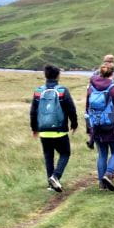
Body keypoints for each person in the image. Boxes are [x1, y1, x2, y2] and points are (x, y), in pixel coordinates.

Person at [30, 64, 78, 193]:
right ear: (58, 76)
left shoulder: (38, 91)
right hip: (59, 130)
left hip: (43, 131)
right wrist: (74, 124)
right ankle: (55, 176)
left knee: (48, 156)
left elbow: (33, 111)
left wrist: (34, 128)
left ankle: (51, 185)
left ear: (45, 75)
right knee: (65, 153)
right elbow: (71, 109)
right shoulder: (62, 90)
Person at [85, 61, 114, 191]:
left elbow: (87, 111)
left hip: (97, 127)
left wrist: (89, 129)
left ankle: (102, 185)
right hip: (113, 127)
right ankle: (109, 174)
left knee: (102, 154)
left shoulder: (91, 89)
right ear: (113, 73)